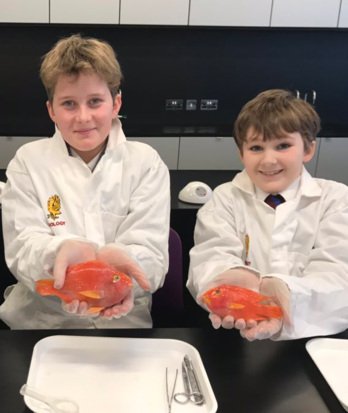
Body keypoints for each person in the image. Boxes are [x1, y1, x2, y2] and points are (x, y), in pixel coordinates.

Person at [0, 34, 170, 329]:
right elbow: (21, 249)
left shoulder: (145, 163)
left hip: (124, 322)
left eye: (95, 101)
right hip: (41, 323)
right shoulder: (28, 162)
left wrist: (124, 264)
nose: (83, 117)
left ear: (116, 103)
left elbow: (152, 255)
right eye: (68, 104)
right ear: (51, 110)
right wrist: (60, 253)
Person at [187, 89, 348, 341]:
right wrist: (229, 282)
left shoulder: (336, 200)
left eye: (282, 145)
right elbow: (210, 257)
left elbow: (338, 274)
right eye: (256, 147)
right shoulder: (226, 199)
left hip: (317, 339)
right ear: (241, 153)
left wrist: (285, 292)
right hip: (236, 337)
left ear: (308, 149)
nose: (268, 160)